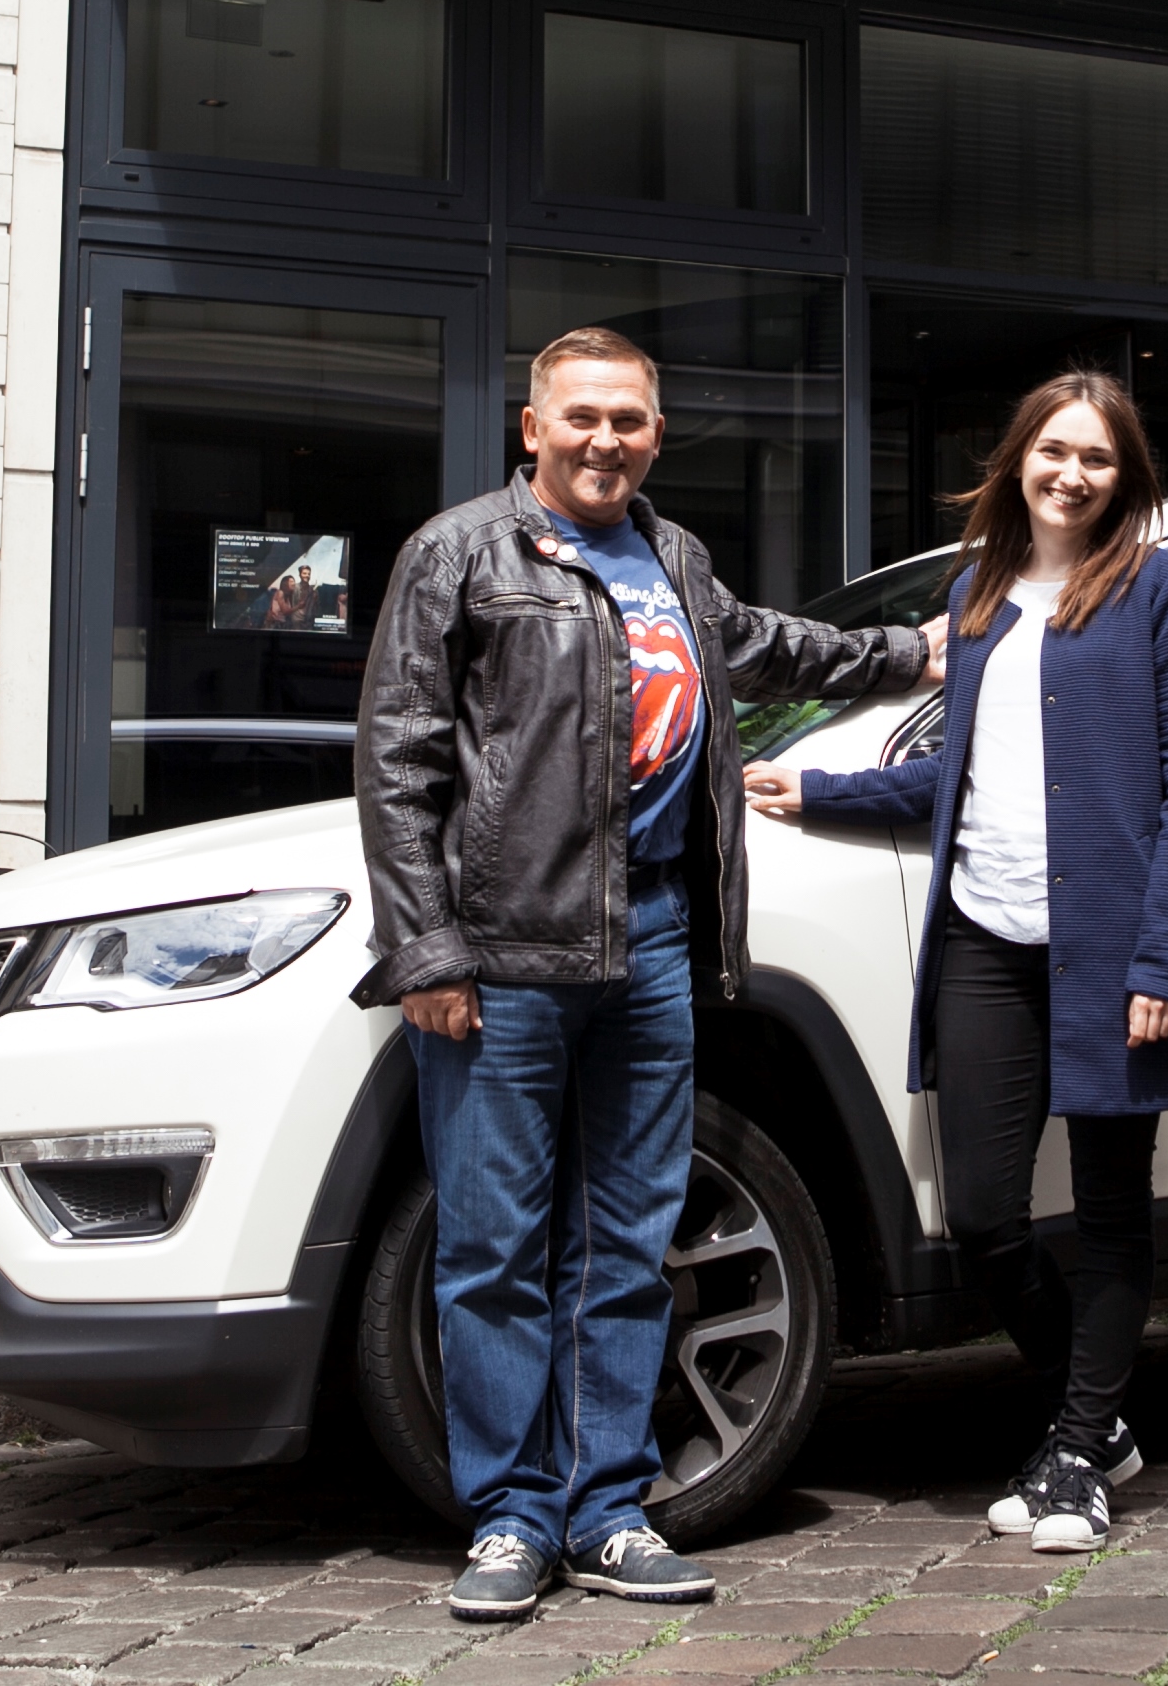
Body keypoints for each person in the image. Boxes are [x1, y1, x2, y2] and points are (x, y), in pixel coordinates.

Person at [353, 327, 942, 1621]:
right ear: (531, 426)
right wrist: (427, 948)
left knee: (627, 1241)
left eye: (627, 418)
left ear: (656, 435)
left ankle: (609, 1506)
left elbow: (776, 647)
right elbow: (396, 762)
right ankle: (509, 1515)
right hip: (501, 957)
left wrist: (915, 653)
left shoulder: (674, 558)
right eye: (581, 417)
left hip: (654, 948)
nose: (604, 438)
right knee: (493, 1246)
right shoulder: (458, 553)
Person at [744, 371, 1168, 1555]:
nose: (1071, 474)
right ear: (1017, 457)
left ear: (1126, 479)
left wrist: (1163, 965)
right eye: (1052, 451)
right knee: (979, 1214)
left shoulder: (1160, 595)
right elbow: (954, 778)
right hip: (984, 940)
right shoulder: (974, 597)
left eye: (1097, 458)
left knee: (1113, 1211)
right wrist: (822, 789)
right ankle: (1098, 1414)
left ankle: (1074, 1453)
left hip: (1113, 948)